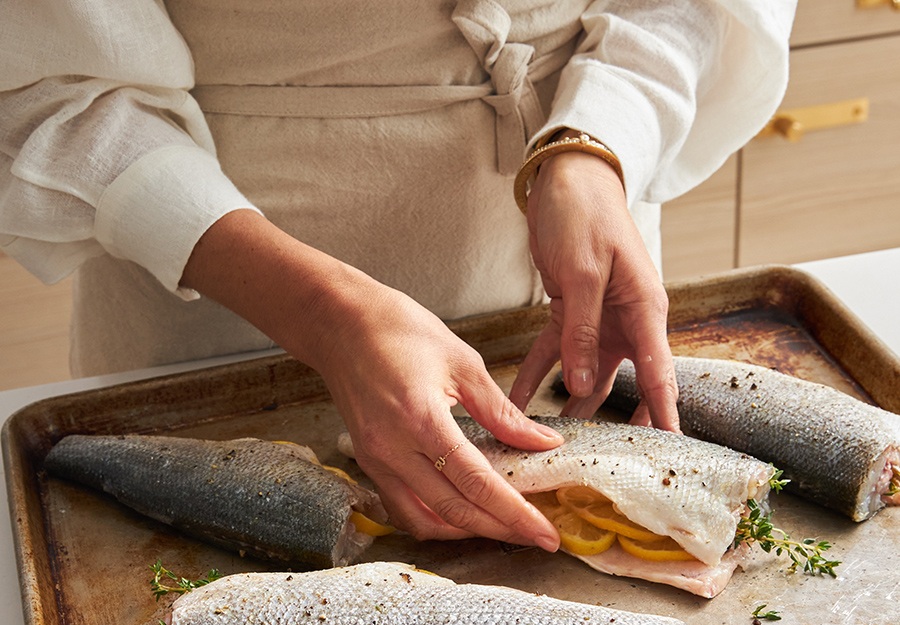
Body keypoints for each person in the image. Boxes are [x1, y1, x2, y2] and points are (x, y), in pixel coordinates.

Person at [1, 1, 795, 550]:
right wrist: (324, 313)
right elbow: (43, 87)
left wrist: (594, 147)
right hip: (227, 293)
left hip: (581, 250)